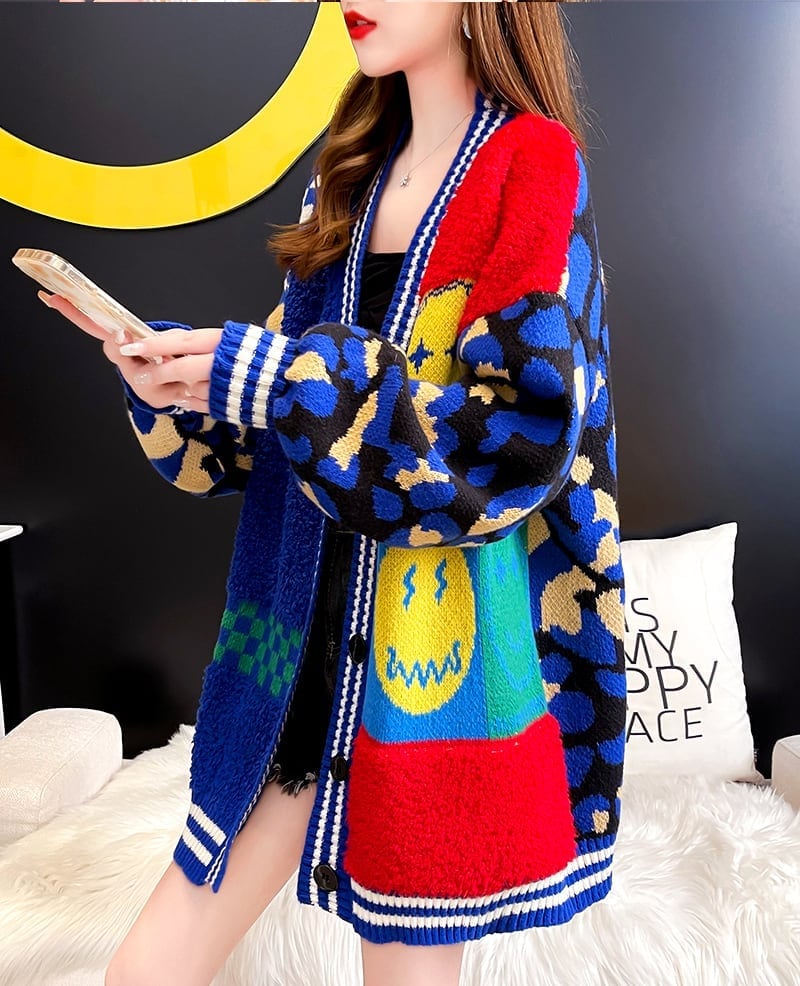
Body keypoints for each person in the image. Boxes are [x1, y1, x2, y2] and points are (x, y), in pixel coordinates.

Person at [40, 2, 626, 984]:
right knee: (141, 969)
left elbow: (514, 446)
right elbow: (283, 431)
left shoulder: (529, 165)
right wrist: (184, 382)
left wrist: (275, 380)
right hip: (295, 662)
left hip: (427, 680)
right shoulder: (349, 172)